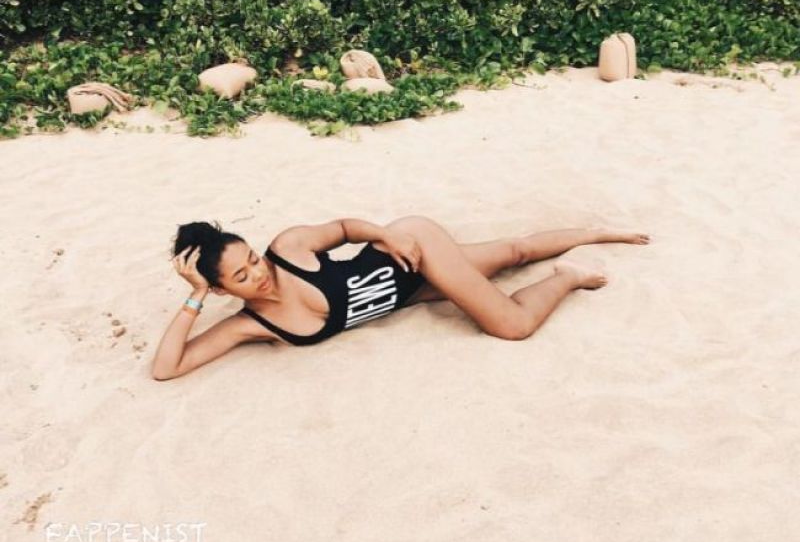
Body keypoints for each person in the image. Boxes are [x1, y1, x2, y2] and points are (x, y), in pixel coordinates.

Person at [151, 215, 650, 380]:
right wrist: (195, 296)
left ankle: (597, 234)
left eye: (253, 258)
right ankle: (567, 276)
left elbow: (344, 229)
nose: (259, 274)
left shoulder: (289, 248)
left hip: (409, 253)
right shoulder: (252, 326)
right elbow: (167, 368)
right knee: (509, 257)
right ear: (221, 289)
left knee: (512, 307)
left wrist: (385, 235)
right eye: (241, 276)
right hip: (416, 291)